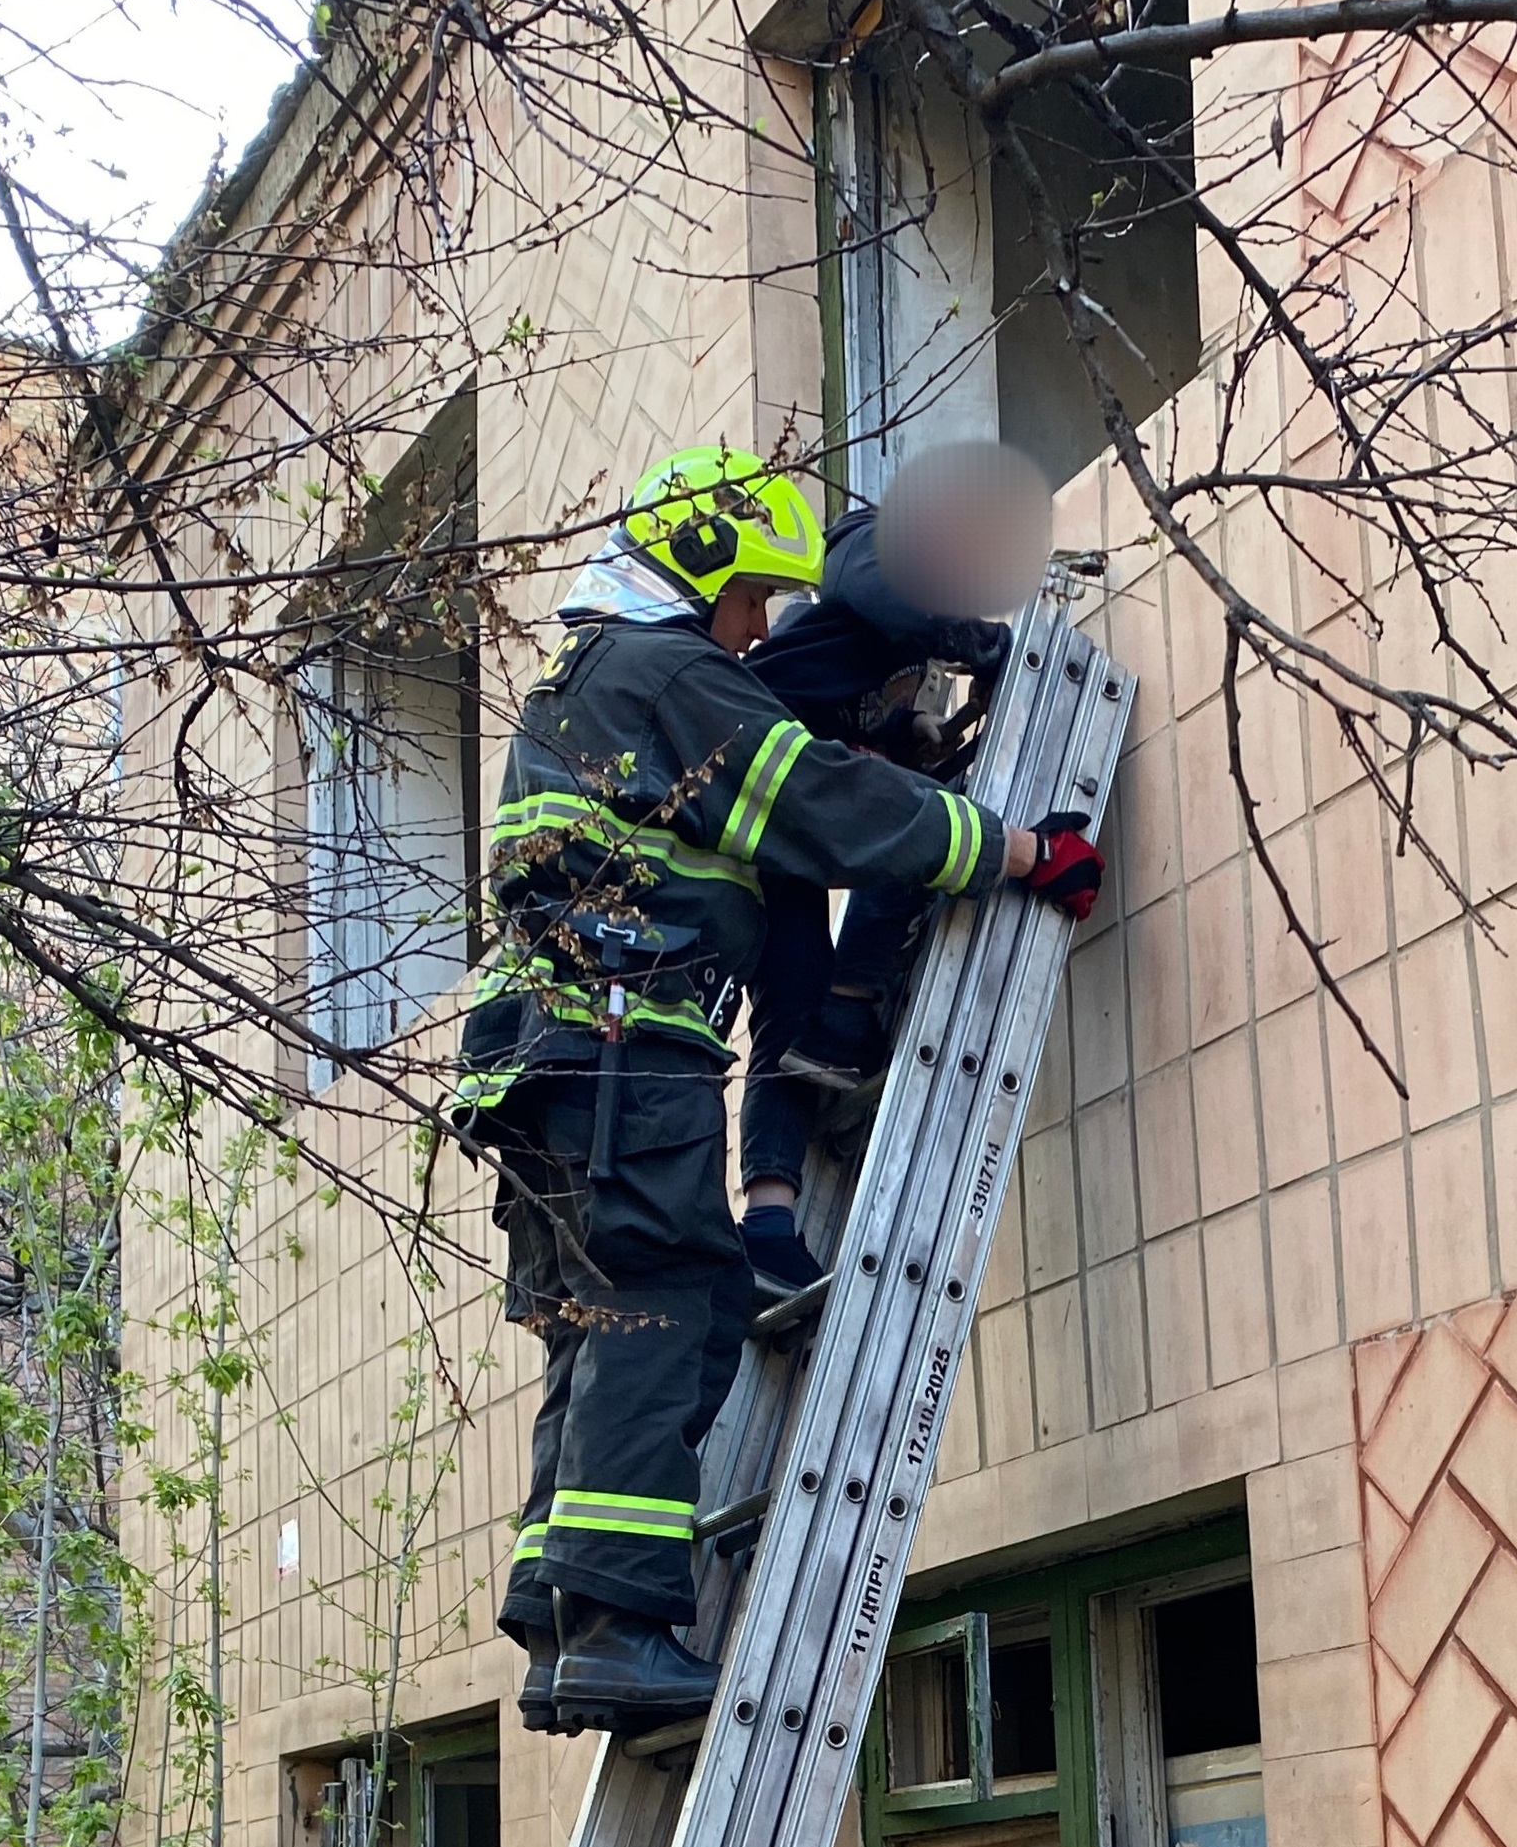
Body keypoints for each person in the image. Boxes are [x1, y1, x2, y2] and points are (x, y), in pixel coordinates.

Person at [452, 447, 1103, 1736]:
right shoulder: (664, 674)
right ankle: (621, 1626)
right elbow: (816, 802)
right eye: (750, 595)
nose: (757, 629)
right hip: (623, 1051)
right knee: (666, 1307)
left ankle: (563, 1625)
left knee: (594, 1322)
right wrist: (1019, 848)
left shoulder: (577, 687)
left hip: (542, 1066)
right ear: (699, 571)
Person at [732, 503, 1015, 1292]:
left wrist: (902, 732)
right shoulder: (865, 546)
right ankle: (846, 1013)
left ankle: (768, 1224)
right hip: (764, 786)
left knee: (789, 995)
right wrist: (991, 648)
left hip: (776, 812)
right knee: (921, 832)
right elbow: (885, 596)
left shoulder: (882, 643)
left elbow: (845, 718)